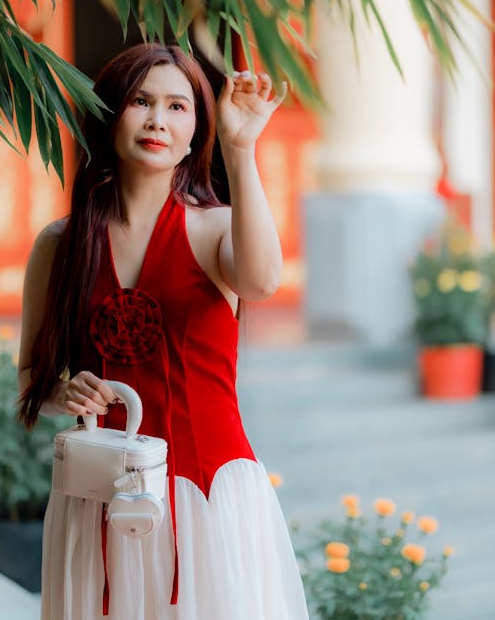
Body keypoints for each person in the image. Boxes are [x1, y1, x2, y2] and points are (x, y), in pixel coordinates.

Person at [17, 43, 309, 619]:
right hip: (100, 499)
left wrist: (240, 148)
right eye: (140, 101)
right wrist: (65, 391)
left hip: (207, 496)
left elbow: (261, 282)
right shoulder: (59, 244)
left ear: (196, 129)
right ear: (108, 114)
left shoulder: (217, 229)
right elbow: (32, 379)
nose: (157, 120)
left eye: (178, 107)